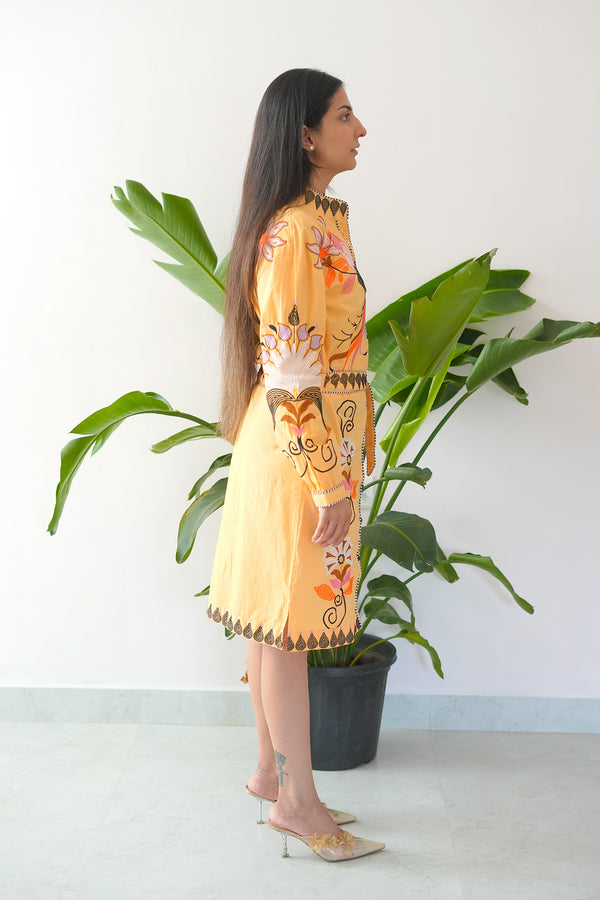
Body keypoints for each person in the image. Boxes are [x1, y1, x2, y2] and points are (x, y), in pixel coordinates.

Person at [207, 68, 383, 862]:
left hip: (296, 450)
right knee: (287, 633)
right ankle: (298, 803)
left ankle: (266, 775)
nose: (361, 129)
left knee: (275, 623)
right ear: (306, 134)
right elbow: (288, 373)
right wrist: (328, 477)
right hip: (295, 457)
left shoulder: (313, 224)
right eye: (345, 115)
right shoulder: (294, 235)